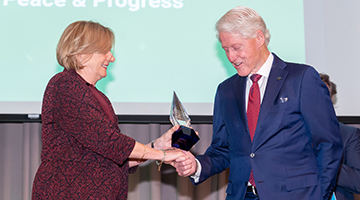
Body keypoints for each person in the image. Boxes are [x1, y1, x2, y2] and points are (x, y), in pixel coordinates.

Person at [174, 6, 343, 200]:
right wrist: (197, 166)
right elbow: (223, 148)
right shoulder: (226, 90)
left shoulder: (302, 78)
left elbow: (329, 143)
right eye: (226, 49)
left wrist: (320, 196)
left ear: (259, 38)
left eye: (236, 48)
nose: (231, 57)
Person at [31, 20, 187, 200]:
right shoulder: (65, 85)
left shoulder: (96, 95)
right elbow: (108, 141)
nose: (111, 58)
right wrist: (162, 155)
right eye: (105, 51)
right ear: (81, 54)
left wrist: (157, 145)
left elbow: (112, 157)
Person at [320, 73, 360, 200]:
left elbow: (358, 183)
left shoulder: (348, 134)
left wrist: (325, 161)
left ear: (331, 100)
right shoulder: (290, 134)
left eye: (324, 96)